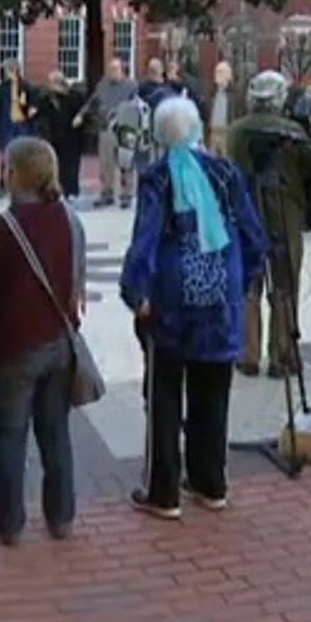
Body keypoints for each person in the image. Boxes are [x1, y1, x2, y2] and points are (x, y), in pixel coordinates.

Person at [121, 96, 267, 519]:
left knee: (164, 394)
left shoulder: (157, 178)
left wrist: (136, 291)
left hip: (171, 299)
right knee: (214, 392)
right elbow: (253, 234)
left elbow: (145, 239)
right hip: (221, 296)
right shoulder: (227, 173)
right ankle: (210, 481)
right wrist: (247, 277)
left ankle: (163, 490)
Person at [0, 138, 87, 545]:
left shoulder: (0, 229)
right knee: (56, 434)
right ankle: (61, 517)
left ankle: (10, 523)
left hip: (14, 348)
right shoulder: (69, 218)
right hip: (60, 343)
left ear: (15, 174)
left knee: (11, 438)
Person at [226, 71, 311, 379]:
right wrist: (310, 128)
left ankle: (247, 353)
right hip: (285, 213)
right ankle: (282, 354)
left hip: (247, 214)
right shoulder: (292, 131)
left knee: (249, 286)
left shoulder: (237, 130)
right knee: (284, 286)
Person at [75, 59, 139, 208]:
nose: (112, 73)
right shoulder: (103, 86)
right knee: (106, 163)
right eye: (110, 70)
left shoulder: (131, 86)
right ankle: (107, 193)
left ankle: (126, 194)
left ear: (122, 70)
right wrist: (81, 114)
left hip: (125, 127)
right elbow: (92, 102)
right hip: (106, 127)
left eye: (115, 70)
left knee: (126, 162)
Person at [0, 59, 39, 199]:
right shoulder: (2, 88)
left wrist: (33, 109)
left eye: (10, 70)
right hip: (8, 125)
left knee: (23, 156)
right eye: (7, 70)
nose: (8, 73)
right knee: (6, 156)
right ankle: (4, 185)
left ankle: (24, 186)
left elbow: (34, 101)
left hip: (22, 124)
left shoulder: (26, 86)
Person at [38, 70, 85, 200]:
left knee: (71, 166)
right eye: (50, 82)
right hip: (54, 136)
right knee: (56, 165)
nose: (51, 85)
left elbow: (82, 112)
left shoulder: (74, 96)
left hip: (72, 137)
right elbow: (41, 115)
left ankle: (72, 192)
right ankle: (57, 191)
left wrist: (80, 118)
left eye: (54, 82)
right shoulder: (46, 98)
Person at [204, 61, 243, 157]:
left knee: (226, 159)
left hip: (227, 132)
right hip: (212, 131)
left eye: (220, 72)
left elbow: (239, 114)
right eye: (216, 72)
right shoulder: (211, 93)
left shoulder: (235, 95)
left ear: (228, 75)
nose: (217, 75)